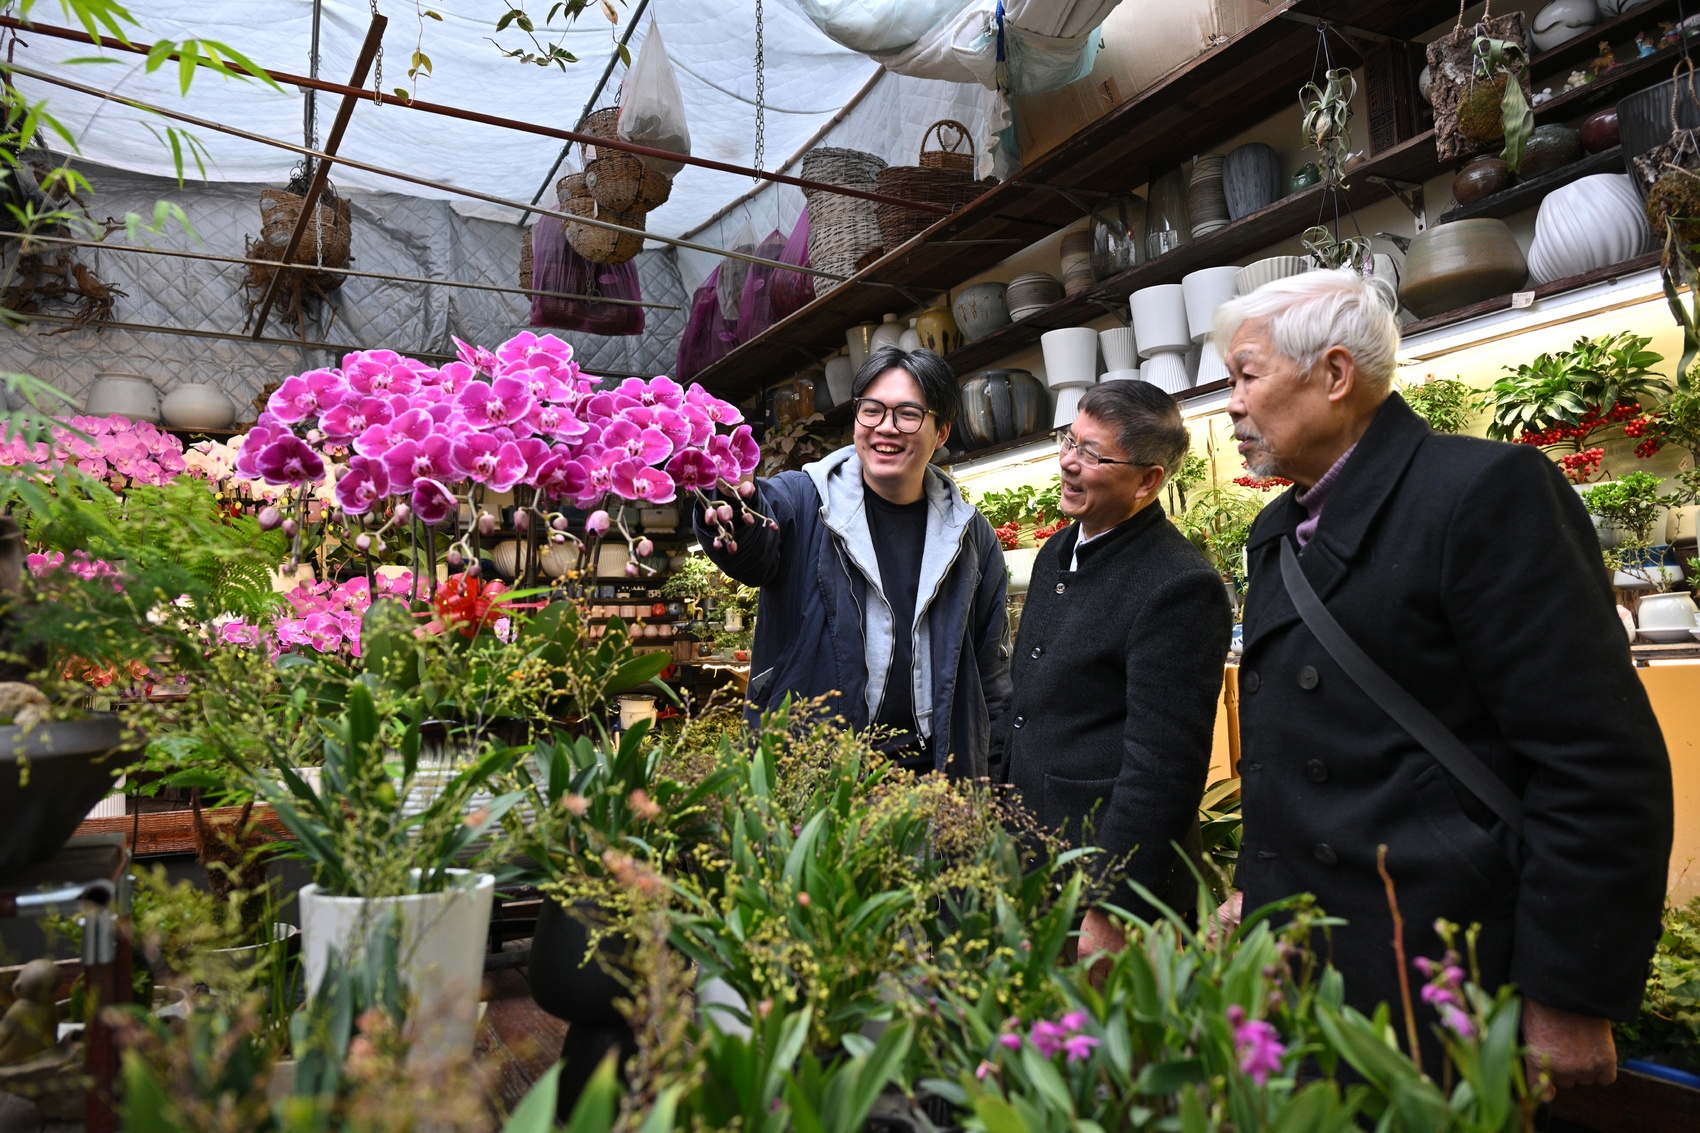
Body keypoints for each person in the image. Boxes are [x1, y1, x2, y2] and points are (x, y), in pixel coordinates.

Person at [1212, 269, 1673, 1087]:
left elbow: (1595, 759)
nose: (1232, 406)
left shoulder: (1484, 491)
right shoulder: (1277, 530)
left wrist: (1568, 993)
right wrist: (1257, 890)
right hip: (1307, 956)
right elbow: (1283, 749)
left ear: (1335, 374)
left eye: (1246, 376)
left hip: (1443, 959)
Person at [998, 381, 1232, 960]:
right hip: (1037, 858)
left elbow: (1164, 767)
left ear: (1147, 481)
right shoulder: (1056, 552)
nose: (1068, 462)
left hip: (1103, 876)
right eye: (1069, 440)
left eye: (1092, 454)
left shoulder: (1179, 585)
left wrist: (1114, 904)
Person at [697, 345, 1011, 778]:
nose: (886, 427)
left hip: (934, 779)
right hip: (816, 775)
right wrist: (729, 498)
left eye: (908, 415)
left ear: (941, 433)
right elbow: (747, 551)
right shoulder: (803, 500)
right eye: (871, 410)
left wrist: (993, 779)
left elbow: (991, 673)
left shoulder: (970, 535)